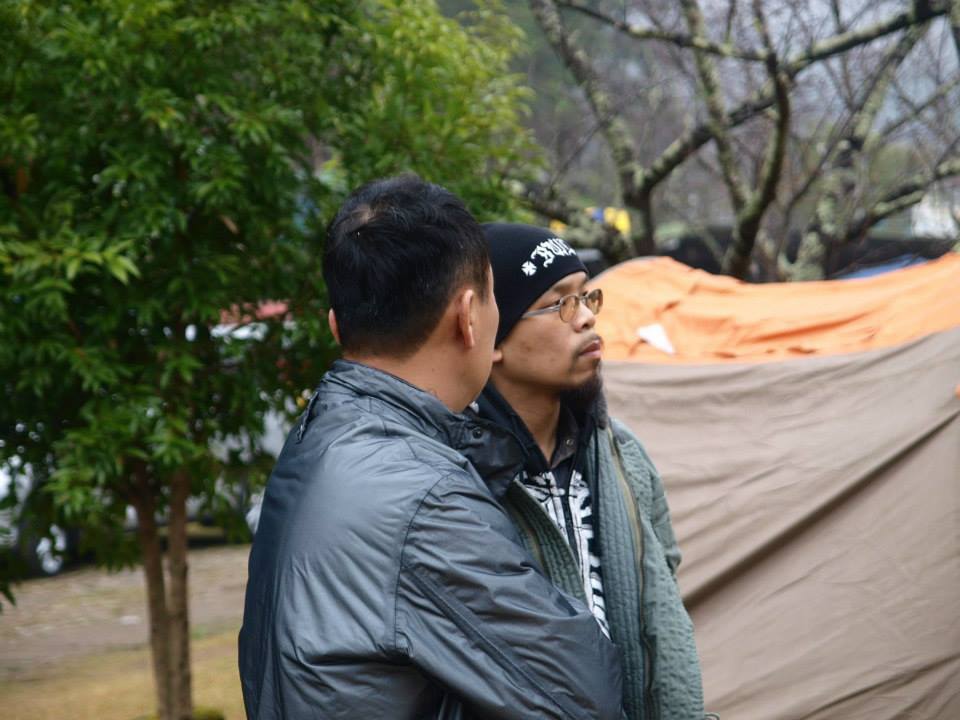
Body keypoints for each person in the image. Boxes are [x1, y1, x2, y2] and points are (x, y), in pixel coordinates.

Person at [238, 178, 623, 720]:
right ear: (468, 316)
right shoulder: (423, 496)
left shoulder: (317, 439)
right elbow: (581, 696)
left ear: (336, 326)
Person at [473, 223, 704, 720]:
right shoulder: (461, 478)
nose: (585, 318)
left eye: (586, 297)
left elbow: (663, 603)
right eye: (559, 303)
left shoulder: (622, 454)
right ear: (493, 338)